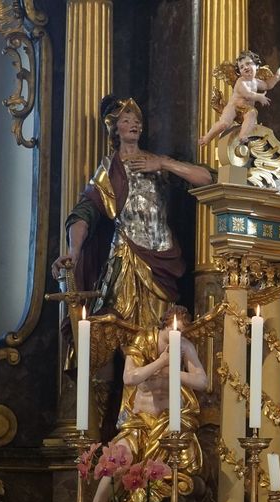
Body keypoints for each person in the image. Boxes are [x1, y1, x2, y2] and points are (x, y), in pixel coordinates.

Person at [51, 96, 213, 331]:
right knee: (115, 326)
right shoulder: (109, 169)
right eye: (126, 120)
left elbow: (206, 179)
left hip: (162, 256)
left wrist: (163, 164)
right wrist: (74, 252)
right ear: (115, 129)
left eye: (137, 120)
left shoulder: (156, 162)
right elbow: (84, 212)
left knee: (161, 329)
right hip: (126, 256)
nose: (134, 124)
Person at [84, 305, 208, 502]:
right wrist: (161, 361)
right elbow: (129, 378)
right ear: (165, 325)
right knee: (118, 461)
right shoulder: (143, 342)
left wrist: (173, 371)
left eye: (181, 331)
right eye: (174, 330)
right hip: (139, 421)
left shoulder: (184, 346)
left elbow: (202, 381)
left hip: (170, 422)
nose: (178, 335)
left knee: (183, 466)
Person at [198, 50, 280, 146]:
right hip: (233, 107)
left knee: (252, 113)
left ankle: (243, 135)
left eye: (248, 64)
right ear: (239, 72)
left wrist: (277, 77)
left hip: (245, 109)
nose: (245, 67)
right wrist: (259, 96)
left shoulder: (256, 82)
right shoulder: (241, 82)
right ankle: (207, 137)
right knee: (224, 124)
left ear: (257, 66)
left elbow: (267, 85)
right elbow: (247, 94)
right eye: (241, 67)